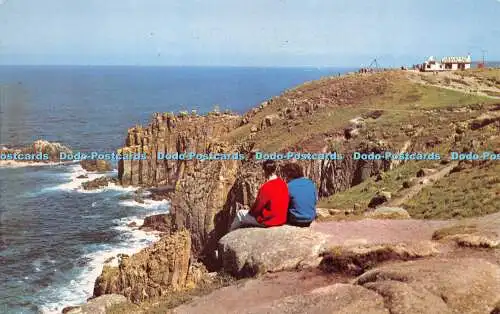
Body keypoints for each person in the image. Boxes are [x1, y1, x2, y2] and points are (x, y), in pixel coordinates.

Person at [229, 160, 289, 231]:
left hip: (269, 221)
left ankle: (229, 233)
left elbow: (258, 208)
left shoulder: (266, 187)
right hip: (281, 219)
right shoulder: (283, 184)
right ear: (275, 169)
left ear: (264, 171)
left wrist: (250, 212)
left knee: (240, 214)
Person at [282, 162, 317, 227]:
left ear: (288, 174)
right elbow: (315, 201)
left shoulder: (288, 186)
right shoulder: (310, 183)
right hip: (310, 218)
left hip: (296, 220)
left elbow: (284, 205)